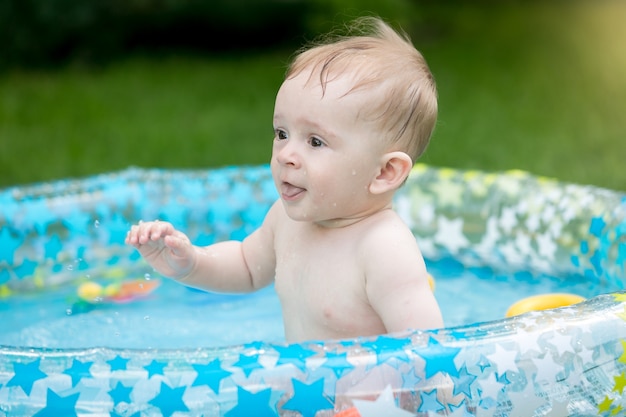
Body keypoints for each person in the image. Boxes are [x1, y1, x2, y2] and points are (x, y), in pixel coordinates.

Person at [126, 16, 444, 342]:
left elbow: (427, 350)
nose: (285, 154)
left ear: (384, 172)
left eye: (315, 141)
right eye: (282, 133)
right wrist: (190, 262)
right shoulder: (286, 220)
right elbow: (247, 267)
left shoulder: (383, 249)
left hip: (366, 393)